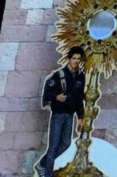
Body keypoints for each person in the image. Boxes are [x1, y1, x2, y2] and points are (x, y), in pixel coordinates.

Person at [39, 46, 87, 177]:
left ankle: (42, 164)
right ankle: (47, 173)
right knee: (53, 145)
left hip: (70, 115)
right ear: (69, 59)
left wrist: (81, 117)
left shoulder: (80, 77)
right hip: (58, 114)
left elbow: (79, 98)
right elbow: (47, 93)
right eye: (74, 58)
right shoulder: (59, 75)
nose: (76, 61)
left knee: (66, 143)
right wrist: (56, 97)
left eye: (78, 59)